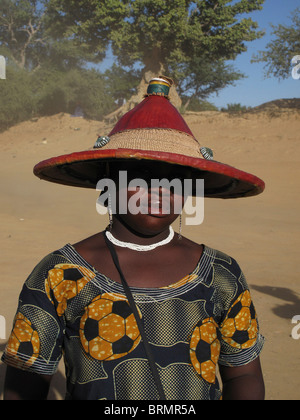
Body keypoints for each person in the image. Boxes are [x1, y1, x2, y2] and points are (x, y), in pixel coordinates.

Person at [2, 77, 265, 400]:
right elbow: (25, 384)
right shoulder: (59, 272)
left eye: (175, 181)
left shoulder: (221, 273)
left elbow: (245, 375)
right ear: (107, 180)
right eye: (140, 177)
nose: (159, 192)